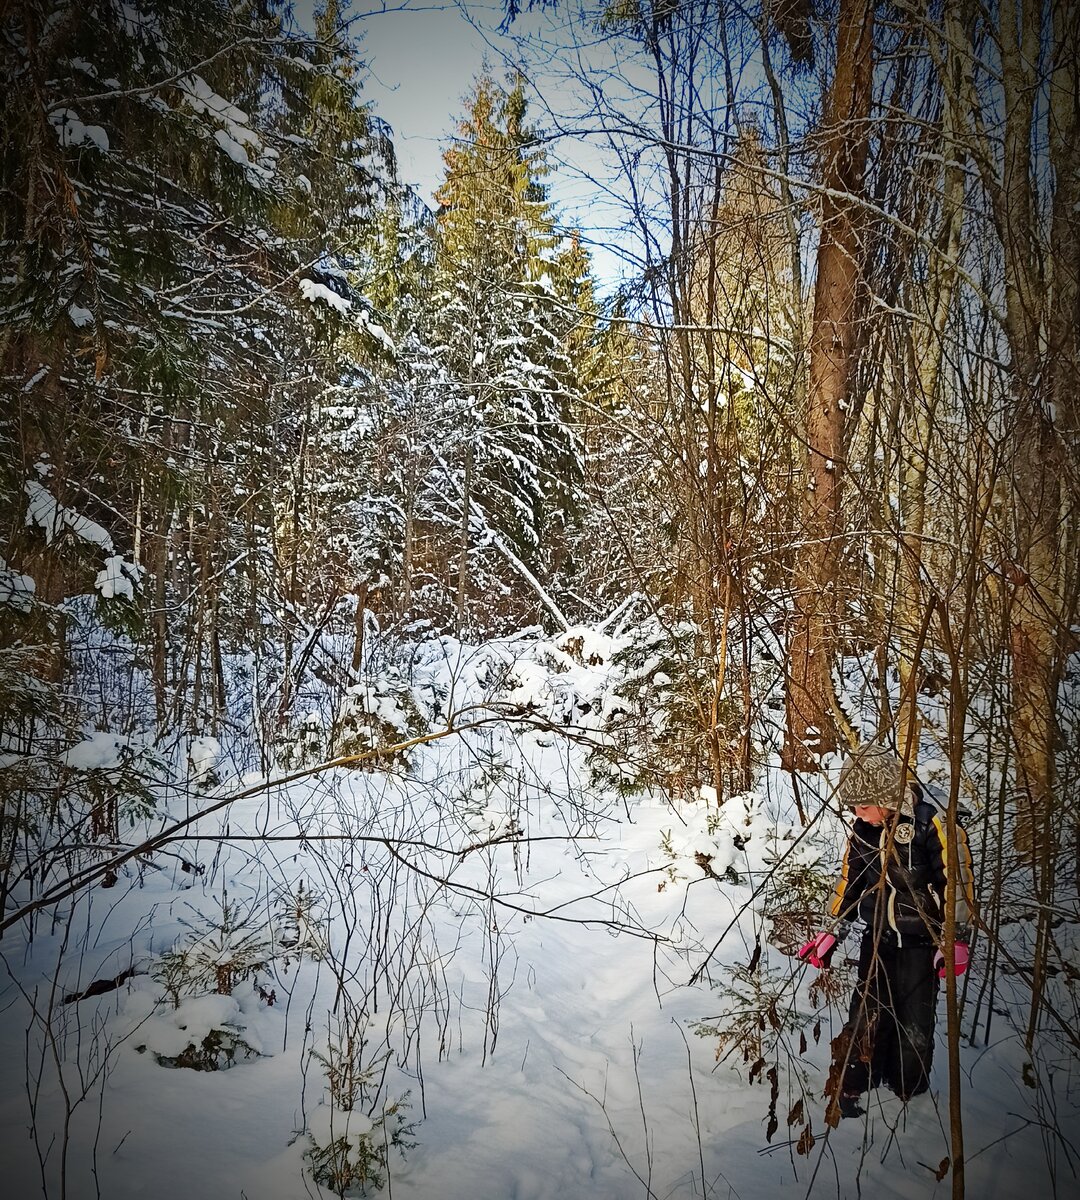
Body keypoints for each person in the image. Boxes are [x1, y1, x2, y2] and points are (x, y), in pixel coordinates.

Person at [797, 745, 976, 1118]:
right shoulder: (865, 829)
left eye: (862, 805)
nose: (856, 814)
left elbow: (954, 880)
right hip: (877, 937)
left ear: (885, 794)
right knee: (865, 1010)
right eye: (853, 807)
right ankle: (856, 1080)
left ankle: (908, 1088)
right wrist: (833, 930)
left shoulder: (931, 823)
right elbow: (852, 880)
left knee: (915, 1021)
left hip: (921, 942)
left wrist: (954, 937)